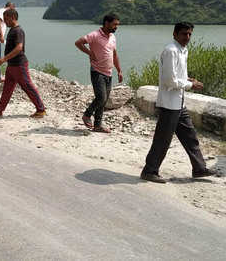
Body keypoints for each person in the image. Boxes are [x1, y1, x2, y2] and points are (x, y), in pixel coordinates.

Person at [140, 22, 216, 184]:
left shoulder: (183, 50)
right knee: (163, 140)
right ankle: (149, 171)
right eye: (184, 34)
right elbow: (169, 81)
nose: (187, 37)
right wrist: (191, 85)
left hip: (179, 103)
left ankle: (199, 168)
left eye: (189, 34)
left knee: (190, 137)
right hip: (169, 104)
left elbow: (177, 74)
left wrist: (189, 79)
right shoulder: (171, 51)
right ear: (175, 34)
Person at [0, 8, 46, 118]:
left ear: (13, 17)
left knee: (28, 86)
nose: (4, 21)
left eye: (6, 19)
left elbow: (19, 48)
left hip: (19, 65)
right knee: (7, 89)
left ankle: (41, 109)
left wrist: (4, 59)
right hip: (12, 65)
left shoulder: (18, 31)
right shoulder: (13, 29)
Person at [75, 13, 123, 133]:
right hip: (97, 72)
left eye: (117, 25)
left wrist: (119, 70)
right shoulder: (94, 35)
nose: (116, 27)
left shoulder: (112, 37)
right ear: (106, 23)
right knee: (101, 98)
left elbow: (114, 54)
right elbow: (78, 42)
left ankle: (97, 125)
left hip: (109, 72)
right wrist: (89, 53)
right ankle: (87, 115)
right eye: (114, 24)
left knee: (104, 100)